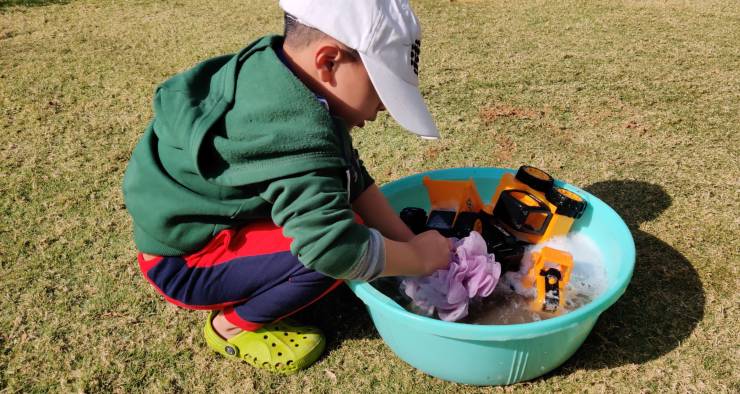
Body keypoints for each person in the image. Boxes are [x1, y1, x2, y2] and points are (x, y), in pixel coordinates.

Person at [122, 0, 451, 374]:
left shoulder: (283, 78)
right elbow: (333, 248)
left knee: (348, 223)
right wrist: (421, 260)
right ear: (329, 62)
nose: (381, 111)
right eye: (381, 91)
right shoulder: (294, 132)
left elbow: (349, 174)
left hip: (200, 224)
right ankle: (230, 328)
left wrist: (408, 243)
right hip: (184, 261)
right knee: (334, 248)